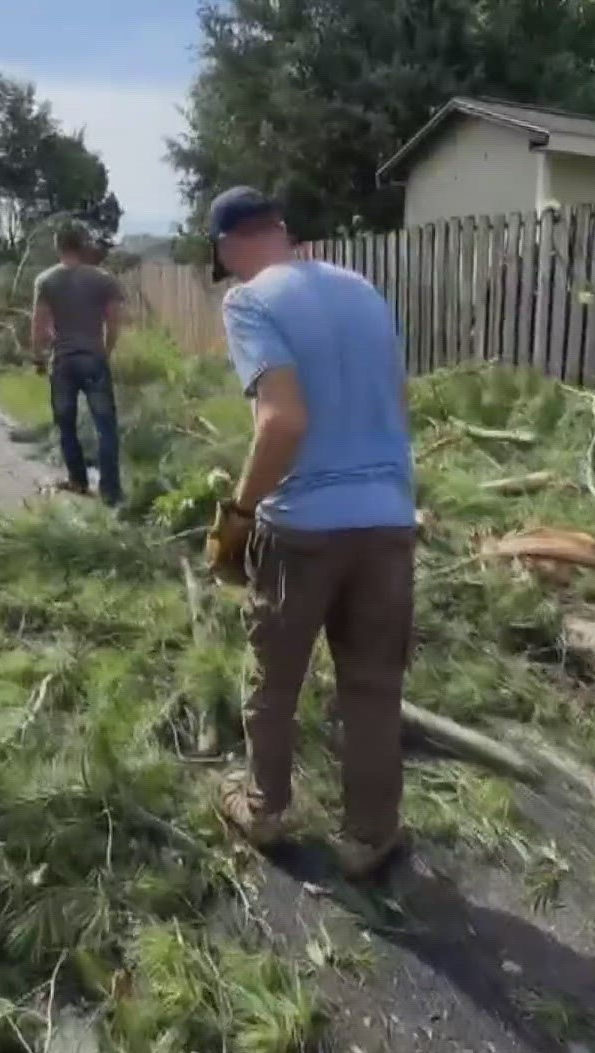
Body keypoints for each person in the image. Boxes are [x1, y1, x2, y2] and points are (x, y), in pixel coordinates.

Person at [202, 186, 417, 878]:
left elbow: (283, 421)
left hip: (304, 530)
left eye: (226, 261)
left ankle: (265, 809)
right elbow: (391, 401)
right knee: (374, 686)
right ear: (282, 228)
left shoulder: (250, 299)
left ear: (230, 246)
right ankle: (369, 835)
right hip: (388, 521)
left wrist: (239, 512)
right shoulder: (363, 289)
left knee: (275, 678)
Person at [32, 220, 126, 505]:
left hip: (62, 361)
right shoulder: (103, 280)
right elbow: (115, 320)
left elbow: (39, 322)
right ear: (84, 246)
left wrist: (37, 356)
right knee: (106, 426)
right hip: (93, 358)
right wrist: (105, 350)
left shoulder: (46, 280)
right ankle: (111, 492)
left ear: (58, 246)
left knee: (66, 424)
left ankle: (78, 480)